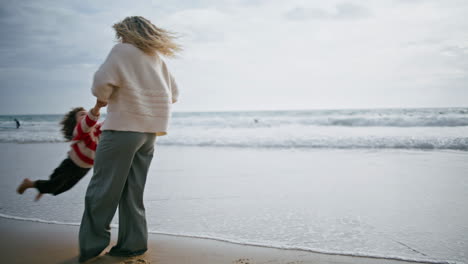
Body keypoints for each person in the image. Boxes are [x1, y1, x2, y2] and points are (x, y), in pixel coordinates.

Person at [78, 16, 180, 262]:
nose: (119, 39)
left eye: (120, 34)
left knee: (102, 190)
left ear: (126, 33)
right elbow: (174, 94)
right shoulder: (156, 57)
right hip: (149, 134)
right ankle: (133, 244)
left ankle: (92, 247)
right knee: (132, 192)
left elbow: (101, 84)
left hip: (122, 130)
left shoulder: (121, 51)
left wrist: (103, 99)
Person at [16, 101, 106, 201]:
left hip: (85, 168)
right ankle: (30, 183)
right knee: (54, 184)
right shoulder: (80, 130)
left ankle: (43, 188)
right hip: (72, 164)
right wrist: (97, 106)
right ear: (75, 123)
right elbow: (90, 119)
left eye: (86, 114)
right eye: (82, 114)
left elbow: (109, 124)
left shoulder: (97, 129)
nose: (86, 115)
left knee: (59, 190)